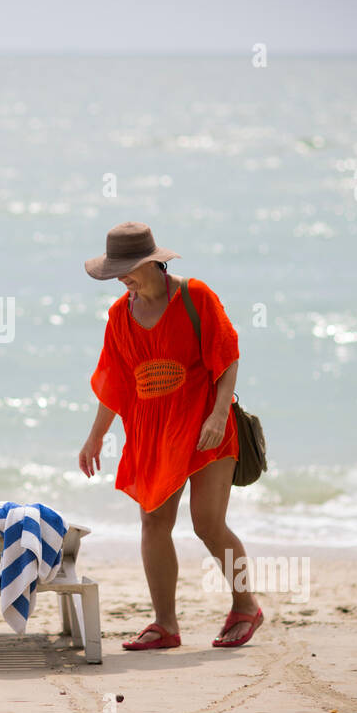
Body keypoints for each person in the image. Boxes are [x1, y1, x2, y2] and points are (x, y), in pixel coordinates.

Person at [78, 221, 262, 648]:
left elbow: (228, 357)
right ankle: (165, 624)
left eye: (127, 269)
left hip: (204, 425)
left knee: (208, 524)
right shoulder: (119, 314)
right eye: (115, 272)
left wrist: (218, 415)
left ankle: (245, 606)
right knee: (153, 522)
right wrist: (95, 438)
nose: (121, 279)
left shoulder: (196, 297)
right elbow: (115, 383)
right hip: (151, 430)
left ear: (152, 262)